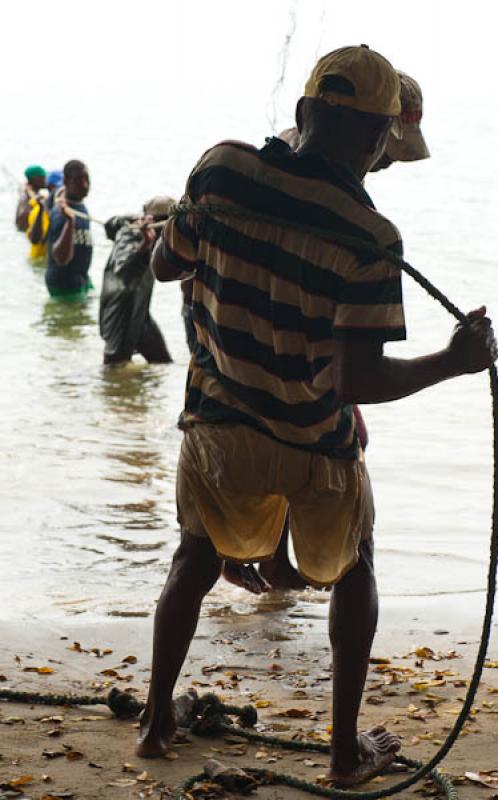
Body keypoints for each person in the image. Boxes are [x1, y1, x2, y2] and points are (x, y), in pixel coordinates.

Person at [136, 45, 496, 784]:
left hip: (217, 430)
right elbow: (357, 378)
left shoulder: (220, 168)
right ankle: (341, 755)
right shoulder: (370, 236)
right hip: (312, 445)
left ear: (304, 112)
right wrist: (455, 362)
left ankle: (154, 721)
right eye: (382, 147)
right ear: (374, 138)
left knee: (194, 557)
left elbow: (165, 265)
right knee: (357, 564)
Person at [223, 69, 431, 594]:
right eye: (387, 151)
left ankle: (264, 558)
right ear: (376, 133)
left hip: (273, 335)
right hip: (279, 329)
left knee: (330, 431)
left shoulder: (322, 166)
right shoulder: (321, 176)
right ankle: (249, 552)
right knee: (318, 436)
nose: (385, 165)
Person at [100, 196, 173, 365]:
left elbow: (110, 225)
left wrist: (130, 218)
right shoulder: (132, 233)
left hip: (140, 311)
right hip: (121, 311)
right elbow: (124, 270)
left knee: (162, 361)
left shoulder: (131, 225)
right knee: (115, 365)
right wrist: (145, 243)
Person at [45, 160, 93, 302]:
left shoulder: (78, 206)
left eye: (87, 180)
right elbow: (60, 258)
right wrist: (70, 223)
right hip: (64, 285)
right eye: (78, 181)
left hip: (80, 279)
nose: (84, 185)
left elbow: (58, 193)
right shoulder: (61, 215)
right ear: (66, 181)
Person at [15, 165, 46, 234]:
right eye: (43, 177)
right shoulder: (25, 197)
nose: (46, 179)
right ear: (35, 179)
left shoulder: (30, 192)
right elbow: (20, 221)